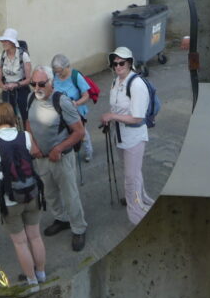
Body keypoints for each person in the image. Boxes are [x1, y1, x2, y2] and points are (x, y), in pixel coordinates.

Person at [0, 103, 46, 289]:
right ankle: (41, 272)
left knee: (20, 242)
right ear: (12, 118)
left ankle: (31, 280)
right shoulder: (25, 136)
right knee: (35, 236)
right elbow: (34, 153)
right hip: (31, 192)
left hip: (8, 199)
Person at [25, 66, 87, 251]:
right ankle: (61, 219)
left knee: (70, 195)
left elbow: (79, 132)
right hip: (40, 158)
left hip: (61, 158)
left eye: (41, 84)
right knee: (50, 193)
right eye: (33, 84)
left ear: (51, 83)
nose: (37, 88)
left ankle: (78, 228)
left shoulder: (62, 102)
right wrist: (33, 144)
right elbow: (28, 122)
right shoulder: (30, 98)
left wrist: (59, 148)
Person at [100, 46, 155, 225]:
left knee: (131, 178)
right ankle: (143, 199)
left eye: (121, 63)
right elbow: (119, 108)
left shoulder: (136, 85)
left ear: (130, 63)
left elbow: (138, 117)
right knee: (132, 173)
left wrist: (112, 116)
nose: (117, 66)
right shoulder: (116, 82)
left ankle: (136, 215)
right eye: (114, 63)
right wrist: (111, 117)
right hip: (120, 136)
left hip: (134, 138)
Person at [51, 53, 94, 163]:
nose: (58, 73)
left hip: (77, 111)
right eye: (56, 71)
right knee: (65, 133)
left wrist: (76, 103)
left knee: (81, 133)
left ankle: (88, 151)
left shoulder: (76, 76)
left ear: (67, 66)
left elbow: (86, 96)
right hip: (61, 111)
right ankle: (69, 153)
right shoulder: (54, 76)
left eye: (60, 70)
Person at [0, 28, 32, 126]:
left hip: (22, 90)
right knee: (8, 118)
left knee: (25, 117)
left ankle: (26, 137)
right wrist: (3, 86)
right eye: (3, 41)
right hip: (7, 92)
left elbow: (29, 79)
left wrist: (16, 84)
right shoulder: (1, 56)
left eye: (6, 41)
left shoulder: (23, 55)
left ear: (12, 42)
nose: (3, 43)